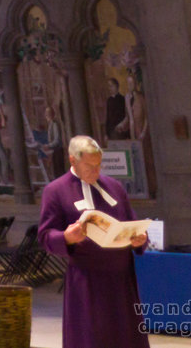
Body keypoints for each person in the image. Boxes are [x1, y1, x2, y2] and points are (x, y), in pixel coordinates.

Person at [38, 134, 148, 348]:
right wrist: (66, 237)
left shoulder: (114, 187)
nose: (96, 171)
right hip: (87, 281)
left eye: (98, 165)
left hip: (121, 279)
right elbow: (45, 236)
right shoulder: (56, 191)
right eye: (89, 166)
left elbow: (133, 223)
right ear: (73, 161)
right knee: (91, 338)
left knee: (126, 337)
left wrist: (140, 239)